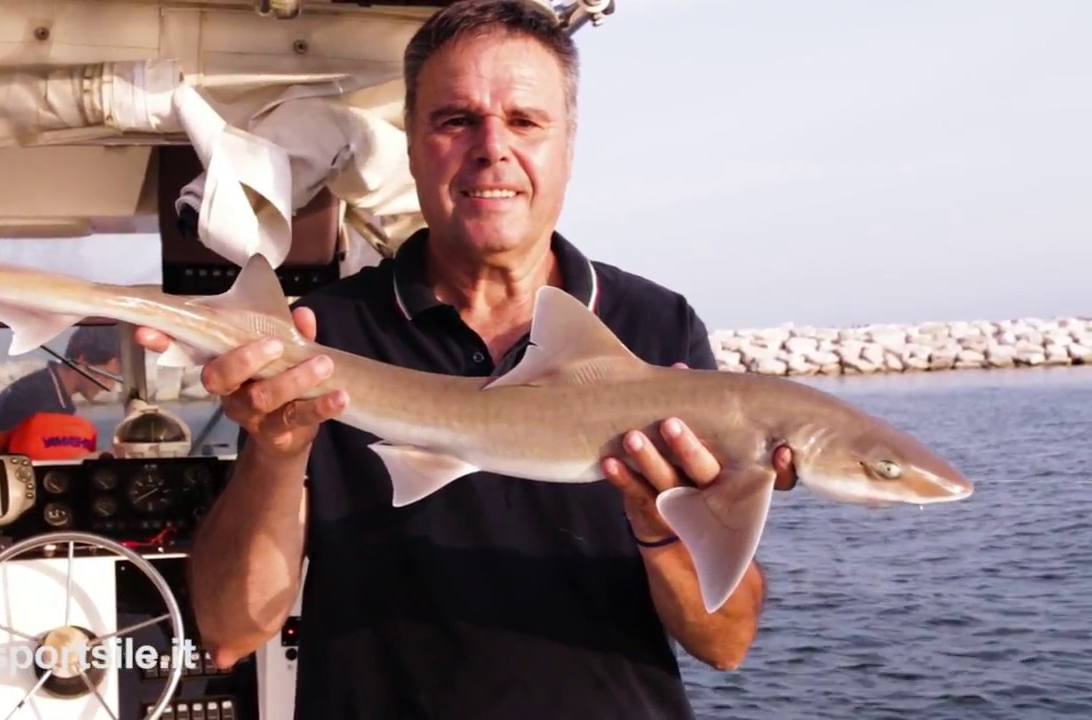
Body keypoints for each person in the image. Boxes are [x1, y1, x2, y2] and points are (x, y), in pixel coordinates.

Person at [138, 1, 796, 717]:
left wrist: (662, 521)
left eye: (525, 121)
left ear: (567, 148)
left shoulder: (656, 327)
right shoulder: (322, 335)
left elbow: (726, 644)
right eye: (456, 120)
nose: (492, 147)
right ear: (414, 148)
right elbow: (232, 630)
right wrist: (275, 454)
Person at [0, 324, 122, 433]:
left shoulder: (44, 388)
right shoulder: (40, 403)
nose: (110, 387)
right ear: (83, 360)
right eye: (107, 375)